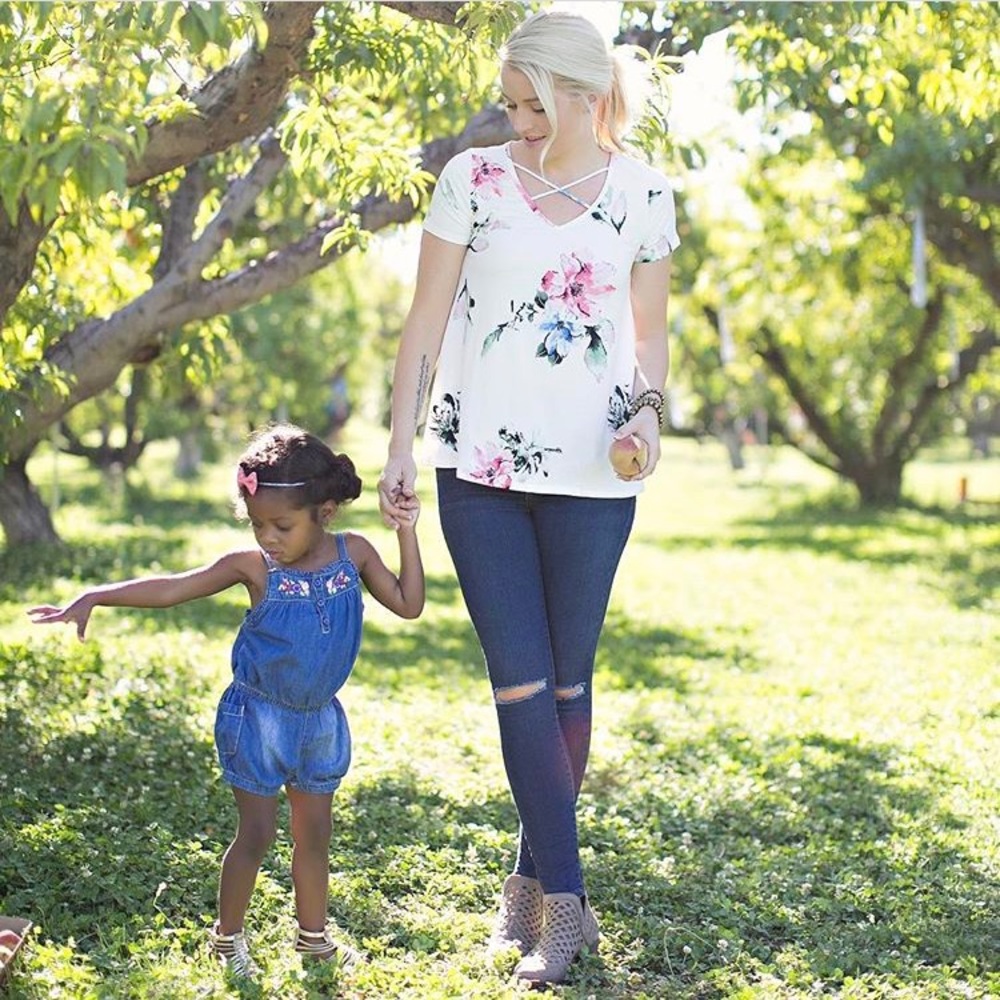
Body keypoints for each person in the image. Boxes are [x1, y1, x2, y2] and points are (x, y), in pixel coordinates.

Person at [377, 9, 678, 986]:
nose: (518, 123)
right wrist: (399, 446)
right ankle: (568, 906)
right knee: (517, 681)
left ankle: (524, 886)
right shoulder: (471, 179)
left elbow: (649, 339)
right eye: (509, 105)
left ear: (583, 96)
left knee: (565, 687)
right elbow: (424, 325)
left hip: (595, 474)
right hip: (479, 470)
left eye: (533, 105)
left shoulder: (644, 193)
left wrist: (648, 417)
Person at [29, 424, 424, 980]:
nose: (269, 537)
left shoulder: (353, 554)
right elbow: (173, 588)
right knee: (257, 834)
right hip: (257, 719)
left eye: (282, 526)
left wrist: (406, 530)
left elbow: (409, 604)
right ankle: (227, 938)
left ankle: (314, 940)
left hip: (319, 723)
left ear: (325, 512)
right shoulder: (254, 567)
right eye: (258, 524)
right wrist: (97, 595)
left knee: (315, 837)